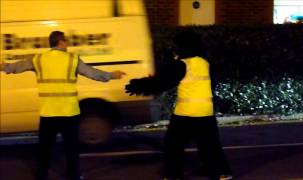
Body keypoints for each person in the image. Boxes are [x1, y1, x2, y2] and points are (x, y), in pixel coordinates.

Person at [1, 31, 126, 180]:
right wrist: (112, 75)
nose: (66, 45)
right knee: (71, 149)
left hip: (48, 113)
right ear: (61, 42)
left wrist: (4, 67)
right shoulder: (72, 59)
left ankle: (41, 175)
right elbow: (92, 73)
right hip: (69, 113)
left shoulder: (38, 59)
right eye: (65, 42)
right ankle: (73, 176)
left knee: (45, 149)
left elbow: (18, 67)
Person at [125, 30, 232, 180]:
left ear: (183, 46)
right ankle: (222, 173)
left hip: (185, 114)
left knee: (173, 145)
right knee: (210, 146)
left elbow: (161, 83)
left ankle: (173, 175)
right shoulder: (206, 63)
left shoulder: (182, 64)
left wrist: (138, 85)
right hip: (206, 113)